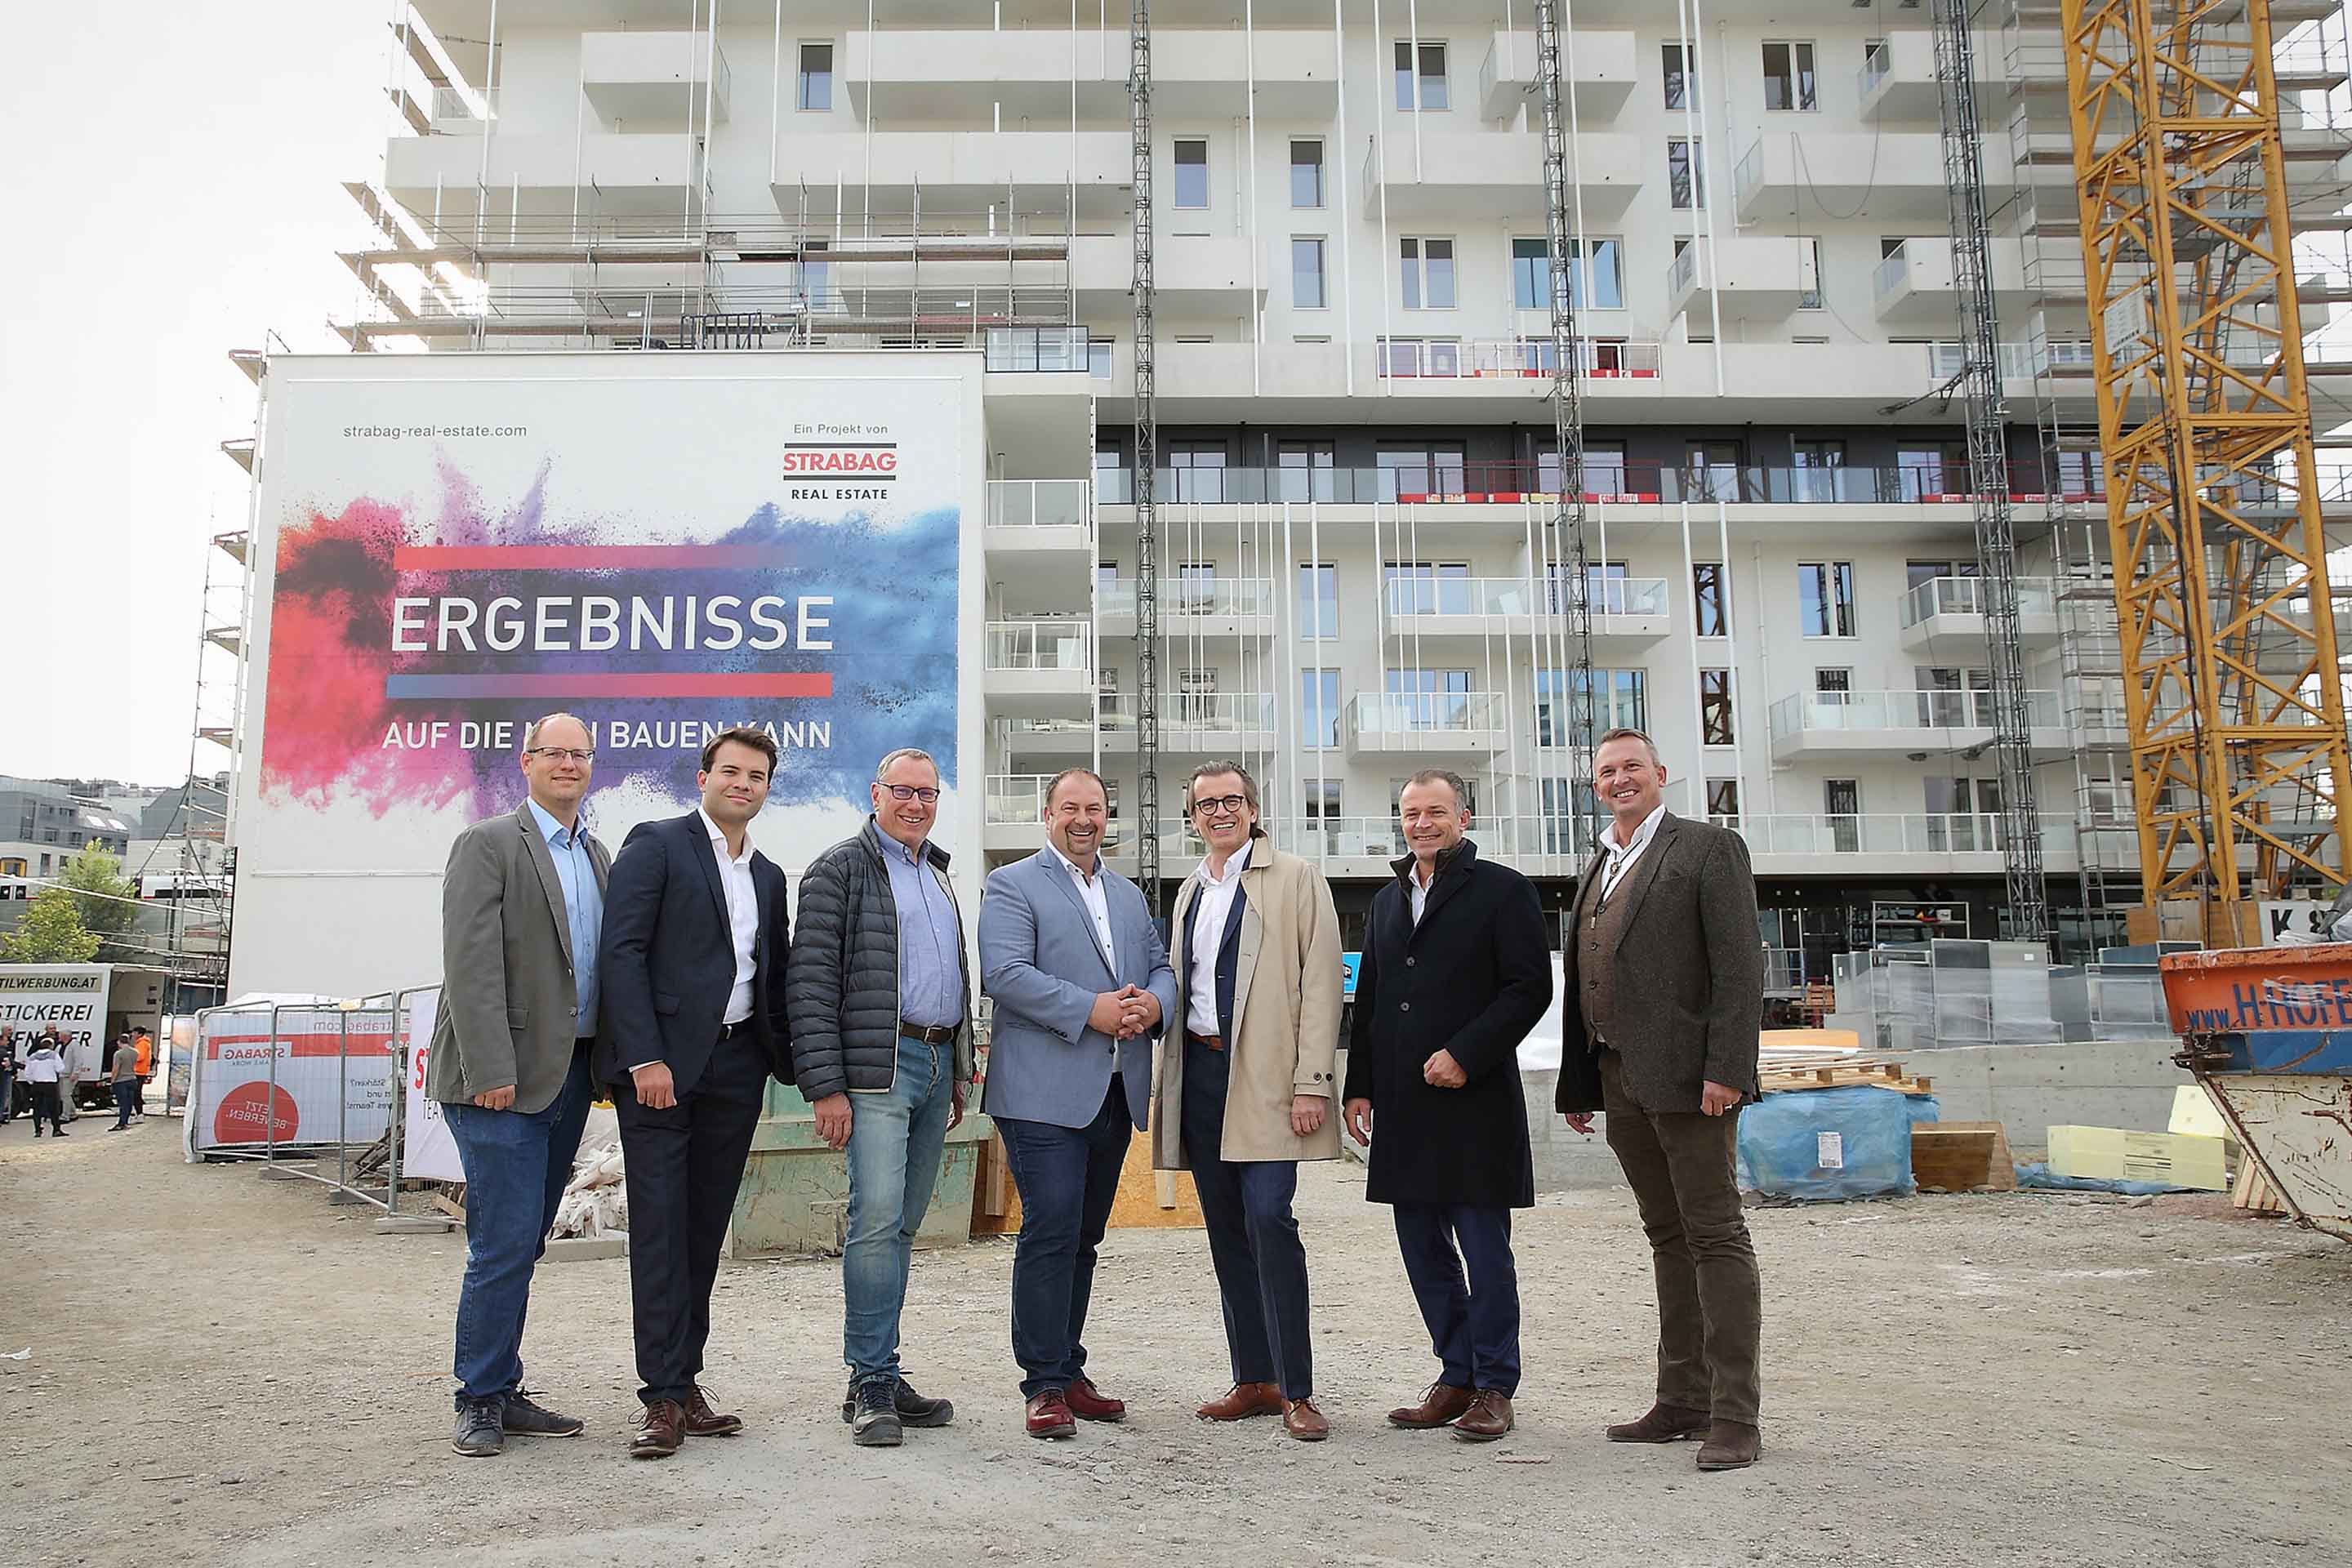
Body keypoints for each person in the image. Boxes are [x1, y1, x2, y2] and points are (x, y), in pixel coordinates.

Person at [1556, 728, 1766, 1472]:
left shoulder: (1707, 848)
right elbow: (1588, 975)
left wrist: (1728, 1068)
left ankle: (1736, 1416)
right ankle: (1682, 1399)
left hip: (1692, 1081)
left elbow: (1741, 968)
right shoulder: (1601, 862)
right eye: (1607, 771)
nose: (1620, 780)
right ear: (1594, 784)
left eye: (1632, 768)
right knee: (1666, 1236)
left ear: (1660, 774)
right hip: (1620, 1080)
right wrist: (1581, 1081)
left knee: (1715, 1235)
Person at [597, 726, 794, 1460]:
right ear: (704, 776)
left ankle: (684, 1382)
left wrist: (791, 1062)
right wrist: (645, 1055)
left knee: (704, 1230)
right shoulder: (657, 843)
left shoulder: (769, 875)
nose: (744, 784)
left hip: (737, 1070)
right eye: (732, 772)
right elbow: (622, 951)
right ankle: (660, 1397)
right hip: (661, 1073)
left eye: (758, 776)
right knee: (660, 1230)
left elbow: (769, 975)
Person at [1343, 768, 1552, 1443]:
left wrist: (1467, 1052)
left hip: (1475, 1101)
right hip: (1404, 1104)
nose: (1423, 823)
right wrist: (1361, 1085)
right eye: (1411, 813)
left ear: (1464, 817)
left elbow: (1529, 987)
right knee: (1422, 1249)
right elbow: (1371, 1000)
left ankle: (1495, 1384)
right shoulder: (1385, 900)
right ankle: (1454, 1373)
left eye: (1436, 811)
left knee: (1484, 1249)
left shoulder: (1502, 890)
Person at [426, 713, 609, 1458]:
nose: (568, 764)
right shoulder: (489, 843)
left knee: (526, 1237)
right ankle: (479, 1398)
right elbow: (470, 964)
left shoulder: (596, 854)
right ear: (527, 762)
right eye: (554, 753)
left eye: (580, 754)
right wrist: (489, 1069)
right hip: (499, 1078)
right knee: (502, 1241)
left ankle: (502, 1385)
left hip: (568, 1075)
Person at [978, 767, 1178, 1440]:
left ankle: (1067, 1367)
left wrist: (1154, 1004)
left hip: (1114, 1090)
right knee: (1052, 1228)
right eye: (1071, 808)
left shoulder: (1125, 893)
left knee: (1085, 1238)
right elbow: (1004, 974)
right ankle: (1041, 1384)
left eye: (1095, 807)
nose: (1084, 819)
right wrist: (1090, 1010)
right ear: (1048, 814)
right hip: (1040, 1095)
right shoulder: (1011, 885)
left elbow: (1160, 968)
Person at [789, 747, 974, 1448]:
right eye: (904, 791)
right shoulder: (839, 869)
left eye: (928, 793)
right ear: (875, 793)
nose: (917, 803)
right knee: (875, 1221)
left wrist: (955, 1067)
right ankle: (868, 1380)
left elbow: (950, 974)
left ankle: (884, 1369)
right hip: (875, 1072)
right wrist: (826, 1086)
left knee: (903, 1226)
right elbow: (809, 985)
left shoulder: (937, 873)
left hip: (931, 1065)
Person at [1153, 761, 1342, 1441]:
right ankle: (1254, 1378)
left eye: (1231, 800)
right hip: (1201, 1076)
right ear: (1193, 816)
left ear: (1254, 808)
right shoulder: (1190, 891)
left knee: (1270, 1220)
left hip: (1267, 1079)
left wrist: (1311, 1082)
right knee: (1227, 1232)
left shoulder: (1295, 878)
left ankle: (1298, 1389)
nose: (1219, 812)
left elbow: (1321, 985)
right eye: (1206, 804)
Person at [21, 1033, 69, 1137]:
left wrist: (32, 1081)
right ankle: (56, 1130)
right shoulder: (54, 1055)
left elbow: (27, 1073)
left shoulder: (33, 1057)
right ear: (51, 1046)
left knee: (37, 1108)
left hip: (37, 1085)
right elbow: (60, 1068)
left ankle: (37, 1130)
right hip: (50, 1084)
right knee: (53, 1108)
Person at [108, 1032, 140, 1130]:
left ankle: (121, 1123)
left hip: (121, 1081)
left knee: (122, 1103)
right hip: (132, 1079)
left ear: (119, 1042)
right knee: (129, 1102)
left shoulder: (118, 1054)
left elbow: (116, 1068)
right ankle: (125, 1122)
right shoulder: (135, 1052)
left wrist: (112, 1081)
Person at [133, 1027, 154, 1118]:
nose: (132, 1035)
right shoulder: (143, 1043)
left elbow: (140, 1057)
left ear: (139, 1034)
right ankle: (138, 1114)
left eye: (134, 1033)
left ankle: (139, 1114)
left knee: (136, 1094)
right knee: (136, 1093)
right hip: (140, 1071)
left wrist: (131, 1058)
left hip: (138, 1071)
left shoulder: (142, 1044)